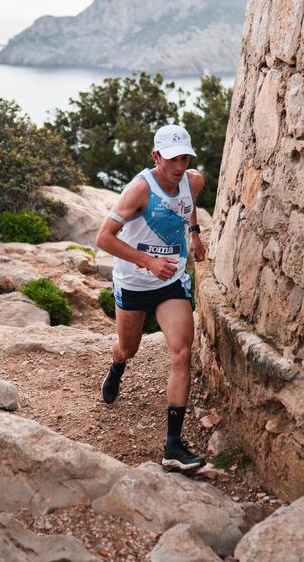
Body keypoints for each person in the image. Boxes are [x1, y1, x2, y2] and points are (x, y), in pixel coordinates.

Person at [94, 124, 207, 472]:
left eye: (184, 158)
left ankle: (173, 446)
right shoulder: (140, 189)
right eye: (172, 159)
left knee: (182, 352)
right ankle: (117, 366)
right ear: (156, 156)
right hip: (133, 283)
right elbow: (104, 238)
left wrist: (194, 233)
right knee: (129, 348)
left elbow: (188, 205)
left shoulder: (194, 181)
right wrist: (148, 261)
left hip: (171, 281)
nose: (179, 166)